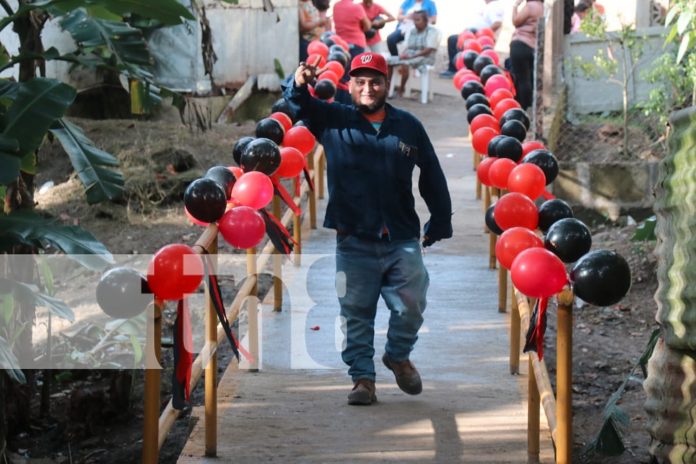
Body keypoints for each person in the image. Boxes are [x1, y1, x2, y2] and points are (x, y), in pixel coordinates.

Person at [284, 52, 453, 406]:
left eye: (375, 80)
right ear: (349, 85)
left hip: (401, 235)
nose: (367, 87)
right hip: (352, 238)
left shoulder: (408, 125)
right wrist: (298, 83)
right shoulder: (332, 119)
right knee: (355, 312)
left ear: (386, 84)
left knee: (412, 304)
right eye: (359, 81)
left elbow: (432, 172)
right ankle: (363, 379)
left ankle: (397, 354)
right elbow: (299, 104)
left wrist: (440, 218)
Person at [440, 0, 504, 77]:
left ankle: (454, 69)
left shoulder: (495, 6)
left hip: (482, 38)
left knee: (453, 40)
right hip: (472, 35)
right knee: (454, 39)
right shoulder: (486, 6)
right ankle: (457, 69)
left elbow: (497, 23)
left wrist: (482, 35)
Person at [386, 10, 438, 98]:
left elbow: (428, 50)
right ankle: (387, 88)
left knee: (404, 64)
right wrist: (403, 55)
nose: (415, 23)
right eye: (414, 20)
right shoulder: (413, 30)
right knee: (389, 61)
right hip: (410, 55)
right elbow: (409, 47)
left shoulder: (432, 31)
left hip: (425, 56)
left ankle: (401, 90)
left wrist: (411, 56)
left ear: (425, 20)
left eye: (418, 20)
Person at [509, 0, 544, 110]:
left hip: (520, 44)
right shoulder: (542, 7)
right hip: (532, 46)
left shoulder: (530, 6)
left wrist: (515, 6)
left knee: (521, 79)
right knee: (528, 79)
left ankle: (522, 108)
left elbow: (516, 21)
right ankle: (529, 107)